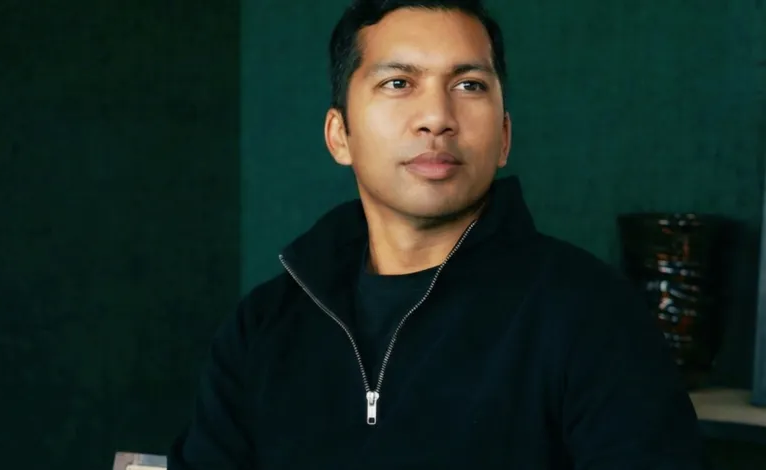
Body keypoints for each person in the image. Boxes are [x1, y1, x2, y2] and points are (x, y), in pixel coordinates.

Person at [168, 0, 704, 468]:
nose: (436, 118)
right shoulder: (263, 326)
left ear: (504, 138)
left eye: (469, 85)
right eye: (398, 83)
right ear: (339, 135)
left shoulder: (591, 313)